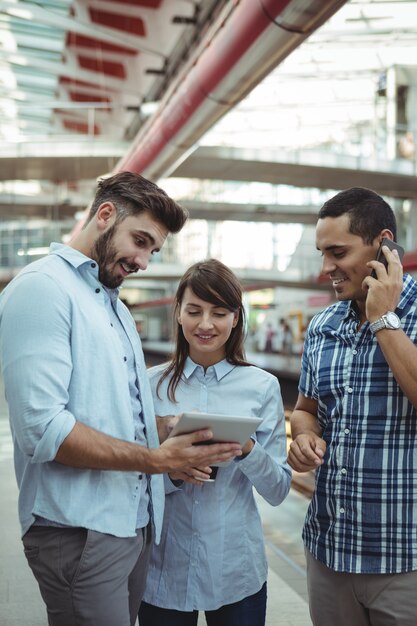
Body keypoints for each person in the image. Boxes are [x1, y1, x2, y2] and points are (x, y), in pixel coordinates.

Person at [0, 172, 242, 626]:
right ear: (106, 215)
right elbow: (42, 429)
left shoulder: (112, 306)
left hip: (129, 527)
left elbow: (113, 409)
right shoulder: (42, 290)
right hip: (78, 531)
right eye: (141, 241)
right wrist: (155, 458)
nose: (144, 261)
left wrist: (164, 428)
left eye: (153, 250)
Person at [288, 186, 417, 626]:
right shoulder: (324, 324)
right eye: (322, 253)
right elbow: (305, 407)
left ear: (383, 245)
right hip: (329, 551)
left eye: (337, 252)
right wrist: (304, 434)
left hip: (406, 560)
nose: (326, 268)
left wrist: (384, 319)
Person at [138, 258, 291, 626]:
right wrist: (171, 471)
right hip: (163, 568)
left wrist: (247, 449)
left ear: (236, 318)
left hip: (236, 568)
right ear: (177, 313)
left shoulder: (262, 387)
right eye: (194, 311)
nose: (205, 324)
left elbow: (278, 489)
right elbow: (131, 477)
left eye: (219, 313)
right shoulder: (149, 384)